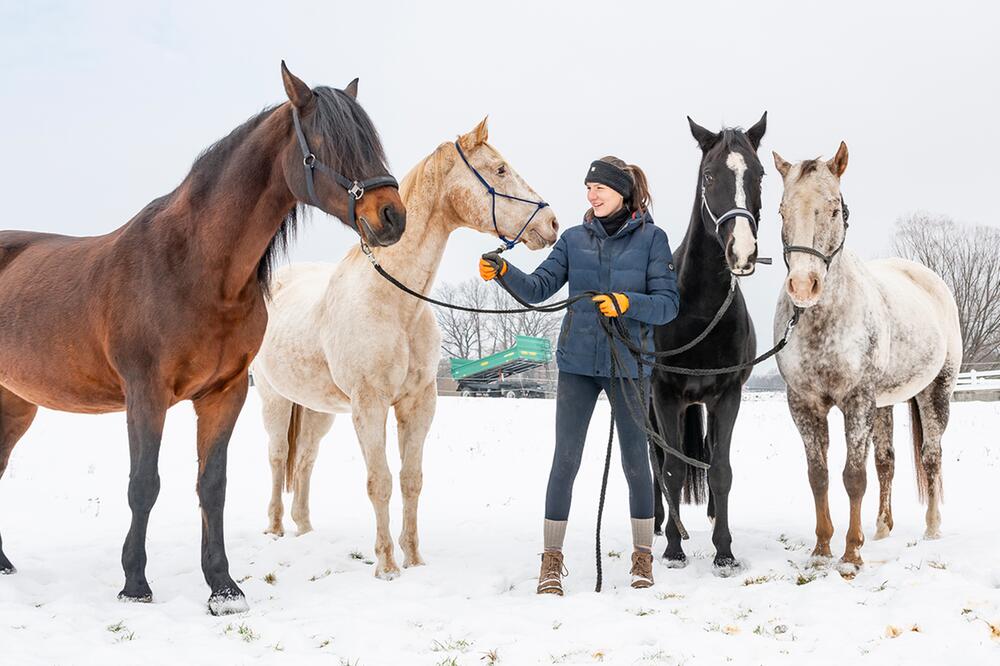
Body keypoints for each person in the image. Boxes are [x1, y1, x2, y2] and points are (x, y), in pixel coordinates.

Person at [479, 156, 679, 595]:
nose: (591, 195)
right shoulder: (573, 239)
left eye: (599, 188)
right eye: (588, 188)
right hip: (577, 364)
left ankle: (642, 557)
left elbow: (668, 305)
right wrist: (504, 272)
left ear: (621, 193)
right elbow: (537, 289)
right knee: (565, 461)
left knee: (634, 462)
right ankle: (551, 561)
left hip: (628, 364)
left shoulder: (653, 240)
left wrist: (628, 303)